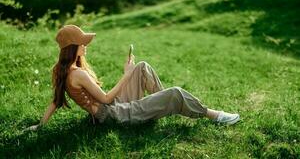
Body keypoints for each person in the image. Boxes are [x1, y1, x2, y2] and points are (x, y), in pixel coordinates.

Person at [26, 25, 240, 131]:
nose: (85, 45)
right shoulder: (78, 73)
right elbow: (107, 99)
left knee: (142, 67)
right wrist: (126, 75)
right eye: (82, 43)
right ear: (73, 47)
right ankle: (215, 116)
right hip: (113, 116)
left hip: (108, 109)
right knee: (175, 92)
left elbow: (55, 100)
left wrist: (40, 125)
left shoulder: (63, 69)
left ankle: (163, 105)